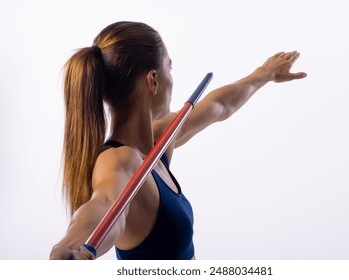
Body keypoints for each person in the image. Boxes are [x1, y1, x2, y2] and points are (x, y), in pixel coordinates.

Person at [49, 21, 306, 260]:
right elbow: (105, 202)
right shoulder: (120, 160)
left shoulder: (158, 139)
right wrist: (71, 245)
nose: (172, 76)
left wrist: (265, 73)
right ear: (153, 80)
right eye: (169, 67)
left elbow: (218, 104)